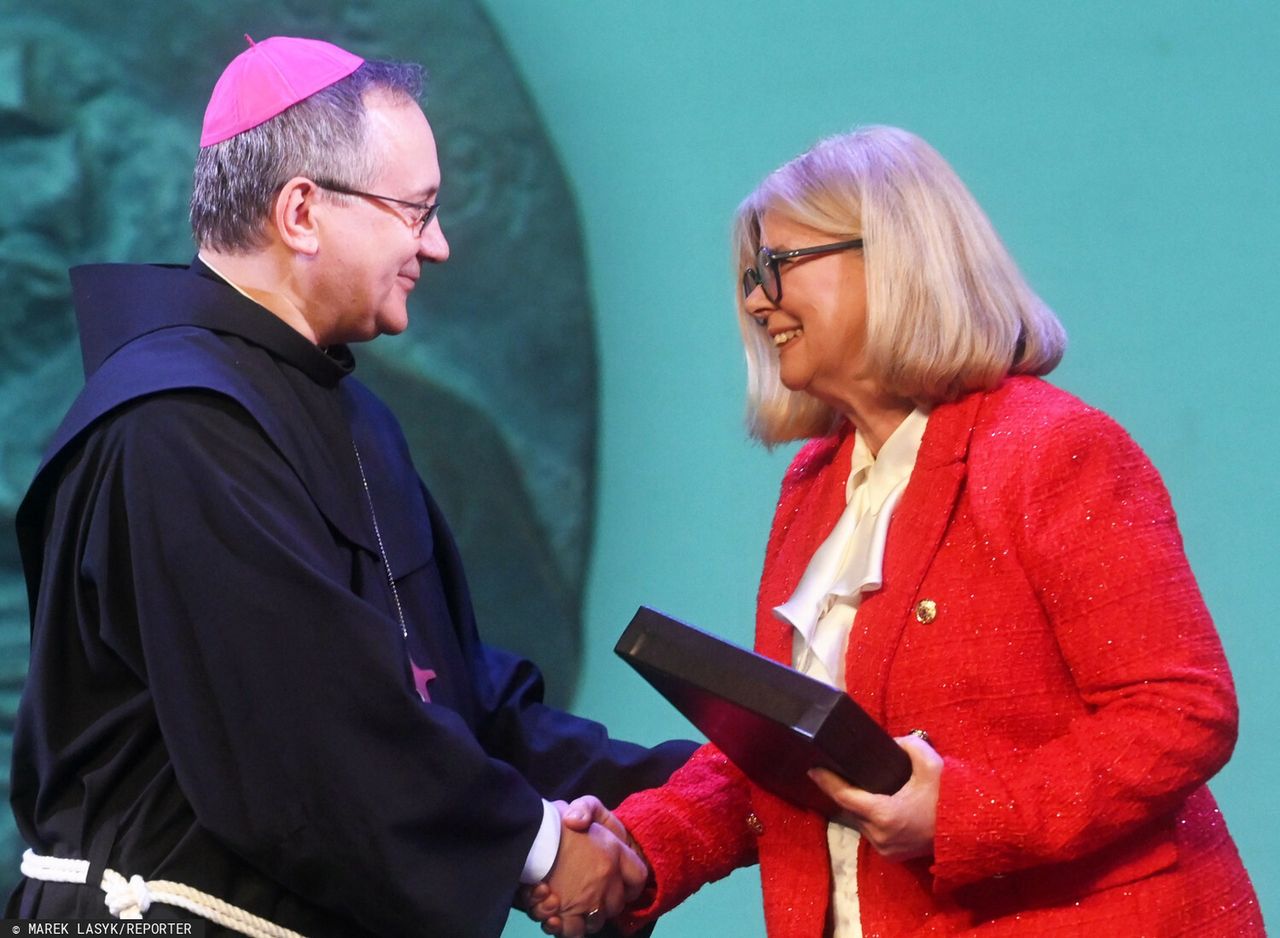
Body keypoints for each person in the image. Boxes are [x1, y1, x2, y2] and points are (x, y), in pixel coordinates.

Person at [8, 36, 695, 938]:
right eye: (417, 212)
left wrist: (695, 786)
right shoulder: (173, 425)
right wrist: (540, 847)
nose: (439, 247)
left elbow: (450, 695)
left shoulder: (353, 417)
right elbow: (309, 733)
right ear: (302, 212)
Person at [528, 126, 1265, 935]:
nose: (754, 299)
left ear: (896, 258)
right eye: (748, 274)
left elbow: (1179, 712)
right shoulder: (816, 484)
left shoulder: (1054, 451)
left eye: (778, 266)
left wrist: (967, 815)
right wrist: (644, 846)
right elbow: (794, 756)